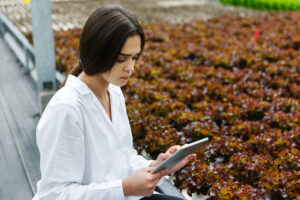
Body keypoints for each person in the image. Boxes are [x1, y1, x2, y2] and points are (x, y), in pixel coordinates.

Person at [33, 5, 195, 200]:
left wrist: (156, 167)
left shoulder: (114, 93)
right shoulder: (66, 109)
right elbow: (55, 195)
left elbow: (122, 159)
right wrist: (125, 187)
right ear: (97, 51)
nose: (131, 68)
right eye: (121, 58)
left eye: (135, 58)